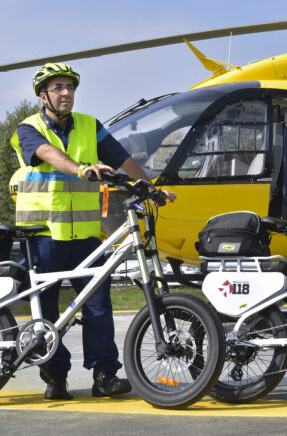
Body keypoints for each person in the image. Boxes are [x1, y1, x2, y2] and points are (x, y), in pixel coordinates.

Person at [10, 62, 177, 400]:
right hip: (44, 235)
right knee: (49, 309)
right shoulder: (27, 129)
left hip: (86, 236)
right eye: (57, 88)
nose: (65, 93)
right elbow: (48, 155)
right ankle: (55, 379)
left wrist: (149, 187)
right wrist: (81, 169)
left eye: (69, 88)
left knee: (98, 304)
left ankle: (105, 375)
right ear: (43, 95)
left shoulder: (89, 125)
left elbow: (121, 158)